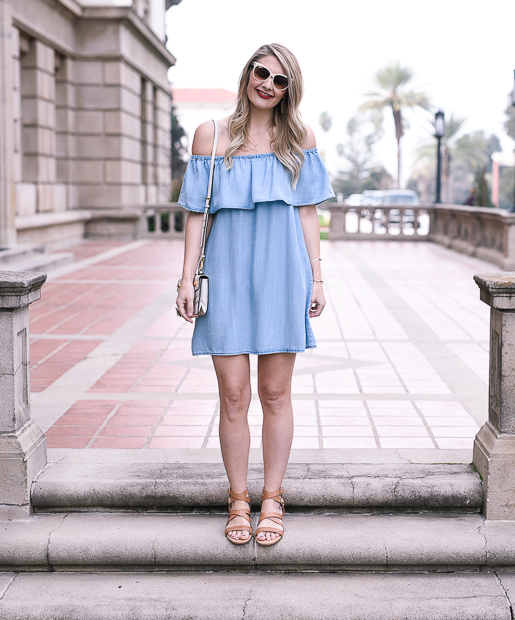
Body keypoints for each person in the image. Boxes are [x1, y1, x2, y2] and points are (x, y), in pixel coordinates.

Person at [175, 43, 334, 546]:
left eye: (280, 80)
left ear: (290, 90)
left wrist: (318, 277)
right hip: (224, 275)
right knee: (233, 394)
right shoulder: (212, 135)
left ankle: (273, 498)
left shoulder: (299, 138)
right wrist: (185, 278)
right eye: (262, 72)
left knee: (275, 393)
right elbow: (196, 215)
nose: (268, 84)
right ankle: (238, 498)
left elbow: (308, 212)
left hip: (282, 273)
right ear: (247, 74)